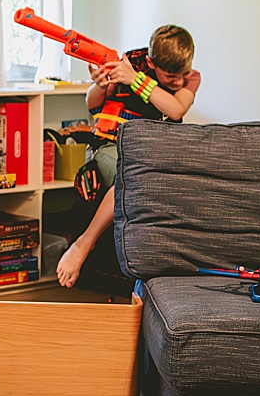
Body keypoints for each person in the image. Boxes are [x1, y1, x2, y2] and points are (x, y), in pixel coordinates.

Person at [56, 26, 200, 288]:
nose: (179, 81)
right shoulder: (127, 66)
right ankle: (83, 244)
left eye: (183, 74)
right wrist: (102, 83)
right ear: (150, 63)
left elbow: (177, 110)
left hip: (152, 155)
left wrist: (135, 80)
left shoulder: (189, 79)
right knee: (133, 175)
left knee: (153, 175)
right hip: (111, 148)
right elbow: (92, 103)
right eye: (170, 76)